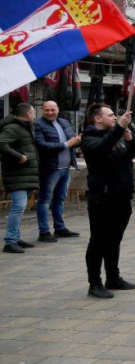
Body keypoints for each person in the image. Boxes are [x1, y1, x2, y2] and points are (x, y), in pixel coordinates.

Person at [81, 105, 135, 298]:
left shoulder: (116, 137)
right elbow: (100, 151)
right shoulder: (89, 138)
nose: (115, 117)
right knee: (98, 241)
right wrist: (118, 131)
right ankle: (95, 283)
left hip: (121, 196)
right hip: (103, 197)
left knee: (114, 240)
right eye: (110, 115)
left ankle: (113, 277)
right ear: (98, 119)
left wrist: (131, 139)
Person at [33, 100, 81, 241]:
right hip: (50, 169)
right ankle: (44, 232)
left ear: (58, 109)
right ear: (42, 110)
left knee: (60, 199)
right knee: (44, 200)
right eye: (47, 110)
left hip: (65, 167)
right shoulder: (38, 125)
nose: (50, 112)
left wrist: (78, 140)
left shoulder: (63, 122)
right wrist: (67, 144)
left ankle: (59, 228)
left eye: (52, 110)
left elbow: (73, 138)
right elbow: (42, 145)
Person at [0, 104, 39, 253]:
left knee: (20, 207)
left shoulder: (24, 127)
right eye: (34, 113)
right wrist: (20, 157)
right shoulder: (13, 128)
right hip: (17, 174)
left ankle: (15, 237)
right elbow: (1, 143)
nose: (35, 116)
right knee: (18, 207)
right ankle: (10, 241)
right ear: (28, 114)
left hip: (24, 174)